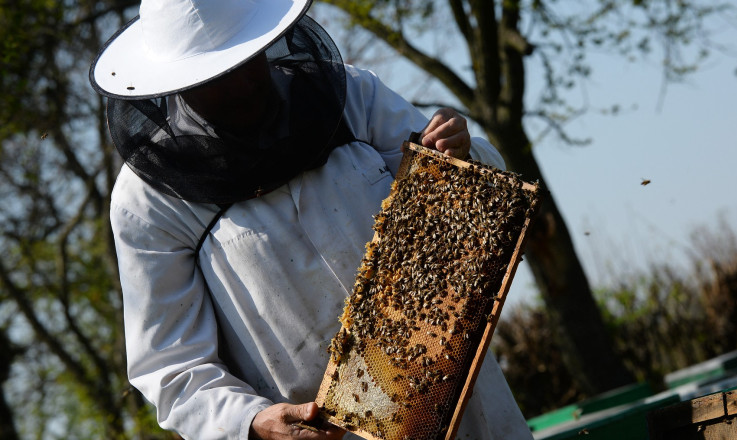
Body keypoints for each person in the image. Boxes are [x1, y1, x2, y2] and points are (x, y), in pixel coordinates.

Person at [90, 0, 535, 439]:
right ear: (177, 83)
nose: (242, 85)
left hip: (472, 407)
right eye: (217, 79)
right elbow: (172, 368)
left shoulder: (351, 97)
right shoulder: (148, 201)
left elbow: (467, 203)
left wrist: (461, 153)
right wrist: (251, 421)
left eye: (246, 61)